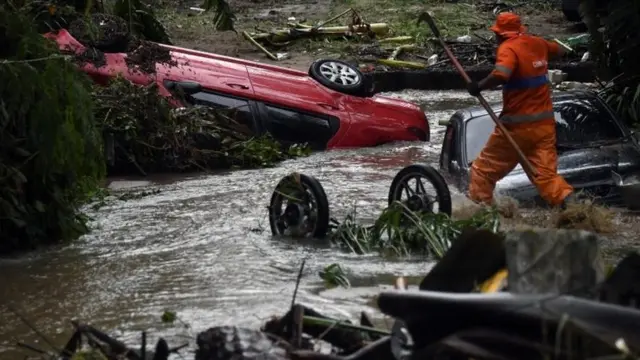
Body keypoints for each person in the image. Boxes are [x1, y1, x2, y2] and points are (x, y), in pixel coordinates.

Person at [466, 12, 577, 209]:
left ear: (500, 34)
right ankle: (577, 209)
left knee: (482, 171)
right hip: (543, 128)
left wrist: (479, 86)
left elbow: (502, 74)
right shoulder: (538, 43)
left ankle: (481, 216)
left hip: (516, 128)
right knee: (547, 178)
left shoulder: (507, 48)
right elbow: (560, 49)